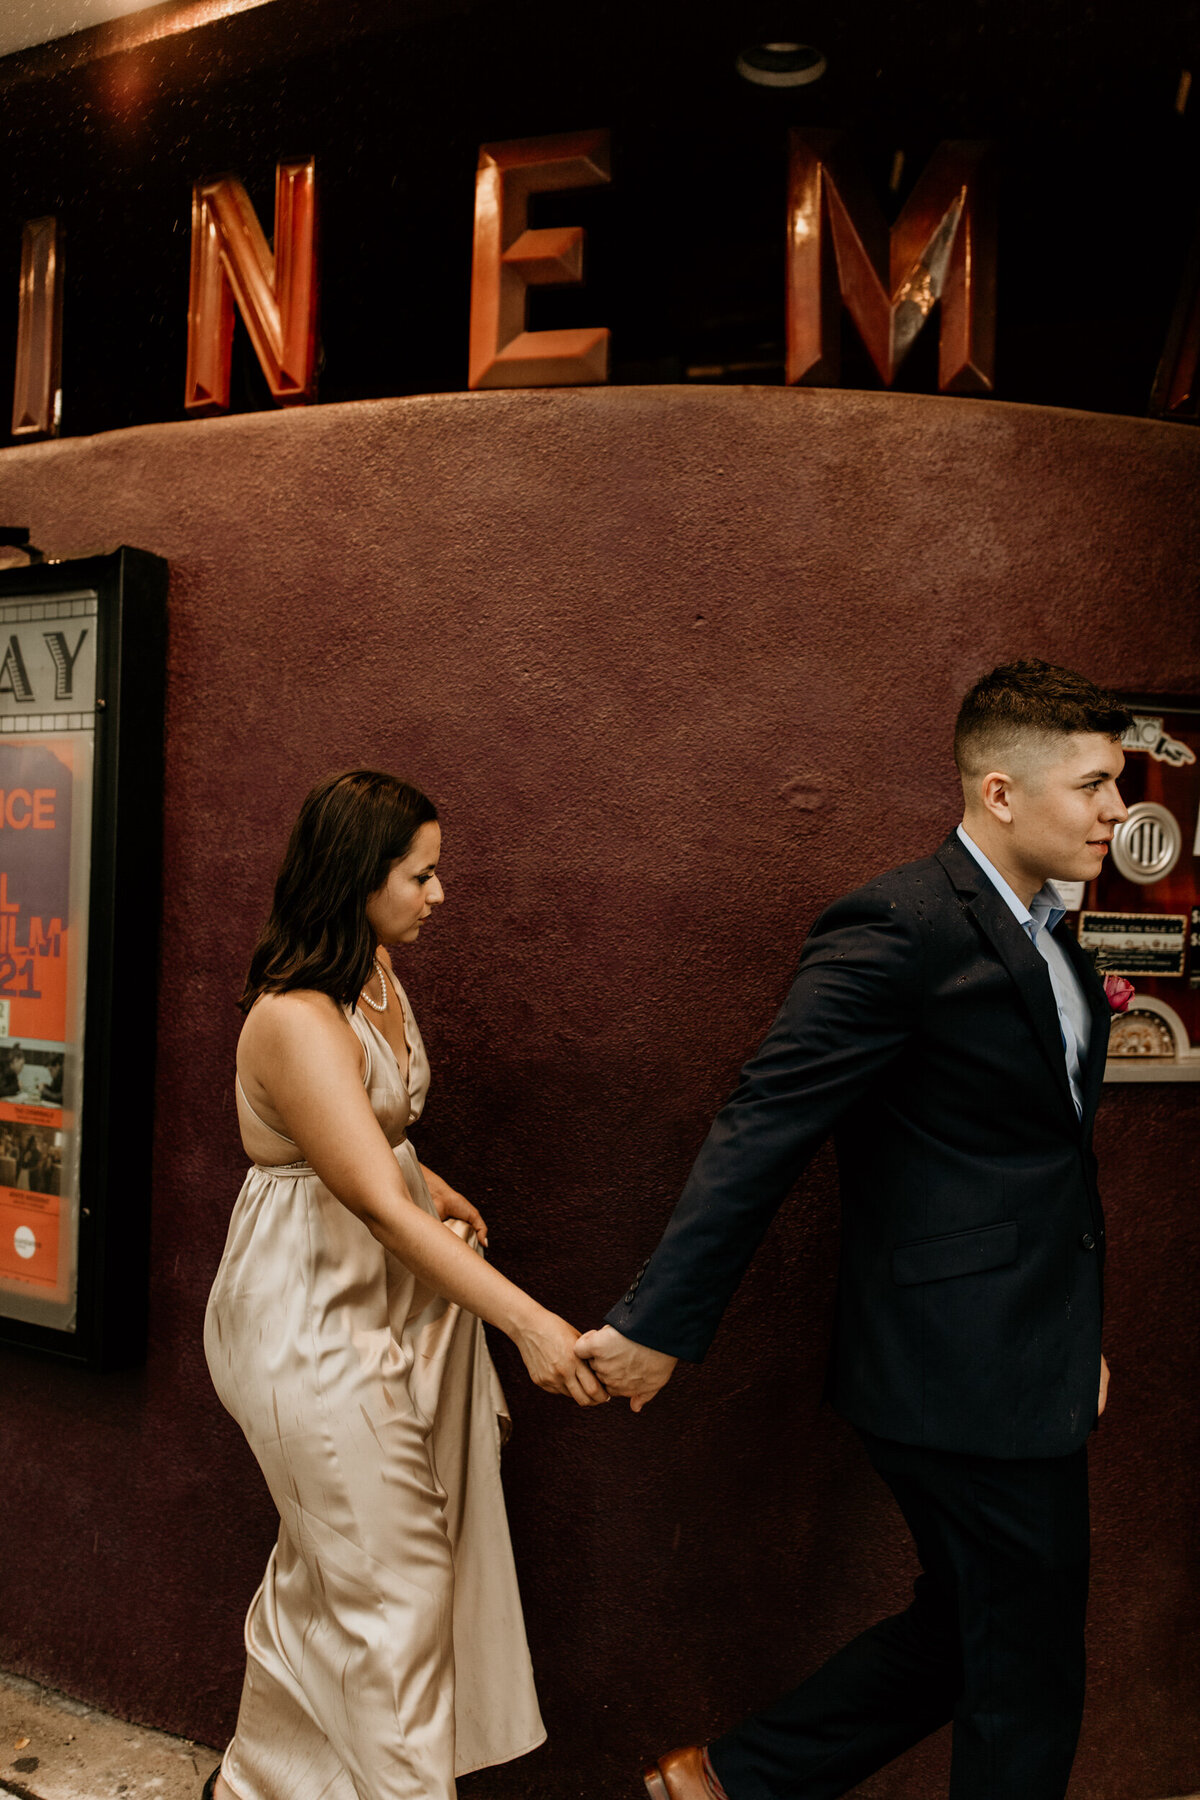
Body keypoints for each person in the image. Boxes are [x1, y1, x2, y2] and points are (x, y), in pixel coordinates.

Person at [578, 660, 1131, 1800]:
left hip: (1026, 1350)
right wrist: (662, 1324)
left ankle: (727, 1783)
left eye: (1118, 785)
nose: (1119, 813)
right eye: (1094, 787)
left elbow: (1044, 1165)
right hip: (955, 1362)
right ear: (999, 794)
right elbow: (766, 1123)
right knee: (1026, 1671)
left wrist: (1078, 1335)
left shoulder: (1059, 938)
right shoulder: (902, 925)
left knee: (972, 1628)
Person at [204, 771, 606, 1800]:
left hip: (390, 1295)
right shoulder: (294, 1016)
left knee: (330, 1575)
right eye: (420, 874)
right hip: (306, 1312)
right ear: (356, 875)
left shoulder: (372, 971)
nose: (440, 895)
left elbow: (372, 1137)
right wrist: (529, 1323)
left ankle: (262, 1788)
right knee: (398, 1585)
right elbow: (372, 1201)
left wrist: (441, 1185)